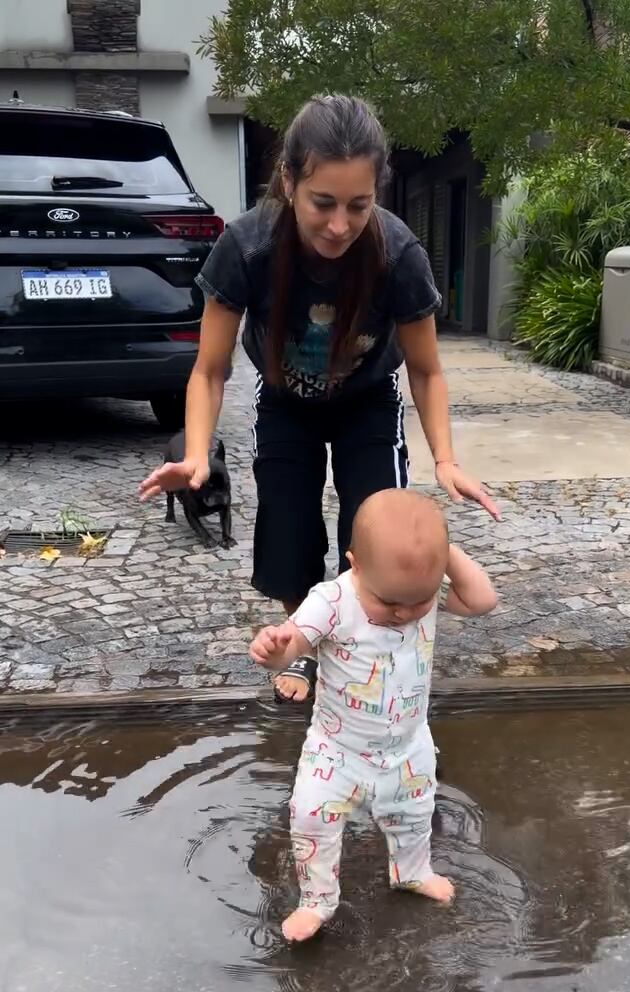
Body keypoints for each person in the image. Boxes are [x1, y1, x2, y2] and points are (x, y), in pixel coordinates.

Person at [139, 94, 499, 704]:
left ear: (376, 193)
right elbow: (209, 368)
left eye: (358, 206)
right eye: (322, 203)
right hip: (286, 402)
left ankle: (366, 642)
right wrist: (197, 451)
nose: (339, 225)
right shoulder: (248, 247)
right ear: (289, 180)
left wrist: (444, 458)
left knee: (378, 524)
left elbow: (427, 370)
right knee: (289, 525)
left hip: (367, 400)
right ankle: (302, 644)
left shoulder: (398, 253)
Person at [249, 489, 497, 941]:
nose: (402, 615)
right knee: (310, 817)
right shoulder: (332, 600)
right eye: (389, 603)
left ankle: (411, 871)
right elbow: (295, 643)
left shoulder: (418, 587)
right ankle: (317, 900)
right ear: (355, 564)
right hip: (336, 750)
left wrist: (443, 556)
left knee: (415, 815)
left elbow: (482, 600)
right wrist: (275, 653)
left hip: (407, 748)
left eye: (416, 604)